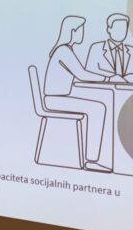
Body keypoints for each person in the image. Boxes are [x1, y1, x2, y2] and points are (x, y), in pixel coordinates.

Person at [44, 16, 113, 172]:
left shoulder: (66, 50)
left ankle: (91, 159)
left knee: (97, 107)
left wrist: (108, 76)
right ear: (72, 31)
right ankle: (91, 161)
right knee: (98, 109)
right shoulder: (63, 50)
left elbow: (81, 73)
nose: (83, 33)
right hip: (55, 100)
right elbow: (82, 74)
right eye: (81, 29)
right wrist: (109, 78)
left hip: (58, 98)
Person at [85, 13, 133, 84]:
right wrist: (111, 78)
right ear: (109, 29)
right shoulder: (97, 48)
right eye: (117, 28)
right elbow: (89, 73)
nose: (121, 31)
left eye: (124, 28)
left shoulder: (131, 50)